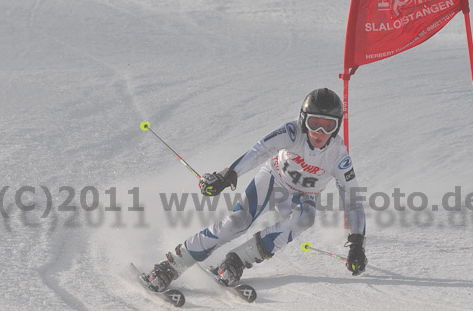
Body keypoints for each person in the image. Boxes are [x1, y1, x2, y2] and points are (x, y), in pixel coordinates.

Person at [146, 88, 367, 292]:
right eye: (314, 123)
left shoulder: (338, 156)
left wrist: (357, 241)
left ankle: (237, 261)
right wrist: (229, 174)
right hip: (273, 181)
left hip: (303, 196)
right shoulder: (292, 133)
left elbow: (352, 199)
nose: (319, 132)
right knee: (236, 224)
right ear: (303, 120)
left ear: (336, 127)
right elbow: (260, 151)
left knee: (305, 218)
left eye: (328, 126)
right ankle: (173, 264)